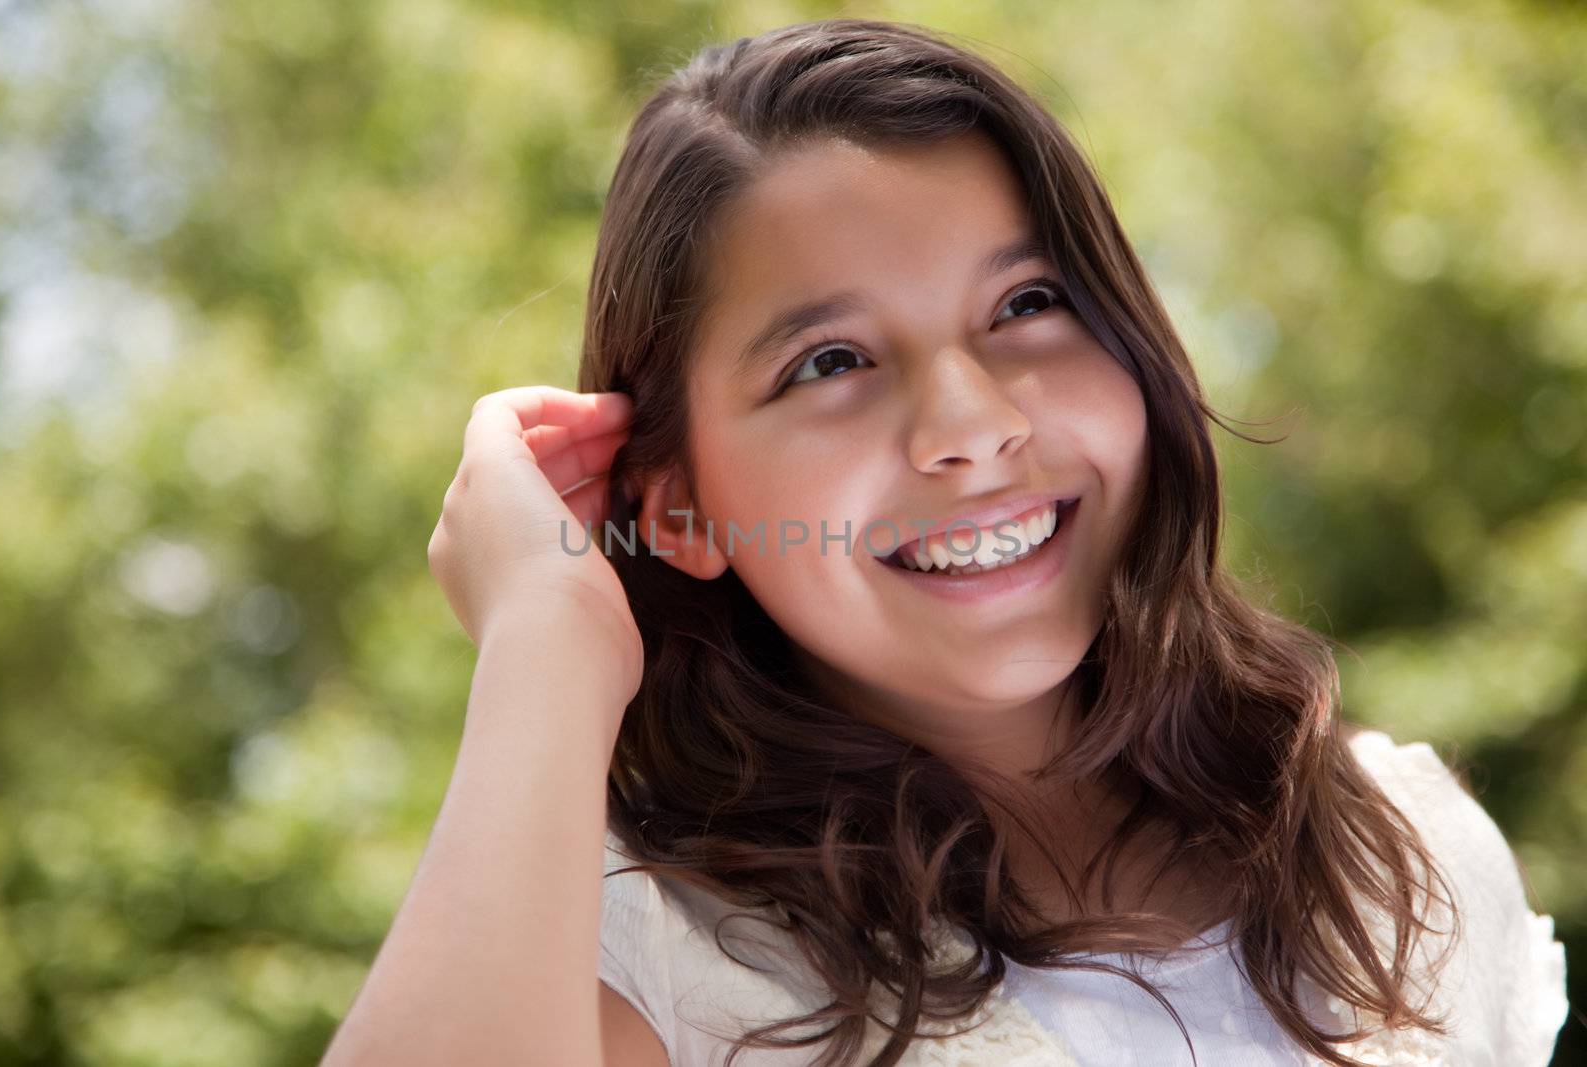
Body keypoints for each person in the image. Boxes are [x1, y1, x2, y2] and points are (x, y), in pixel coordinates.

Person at [321, 17, 1570, 1067]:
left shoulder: (1399, 851)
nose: (974, 427)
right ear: (680, 504)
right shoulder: (655, 961)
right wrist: (543, 642)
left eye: (1028, 304)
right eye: (832, 361)